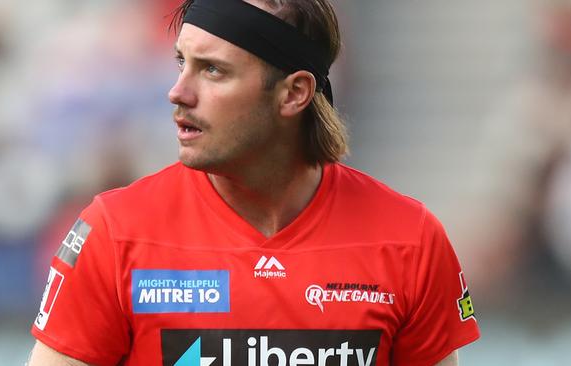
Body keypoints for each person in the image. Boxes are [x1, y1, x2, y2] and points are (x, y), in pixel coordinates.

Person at [27, 0, 480, 365]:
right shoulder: (113, 232)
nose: (178, 91)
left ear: (294, 93)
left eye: (213, 70)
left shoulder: (410, 239)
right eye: (182, 62)